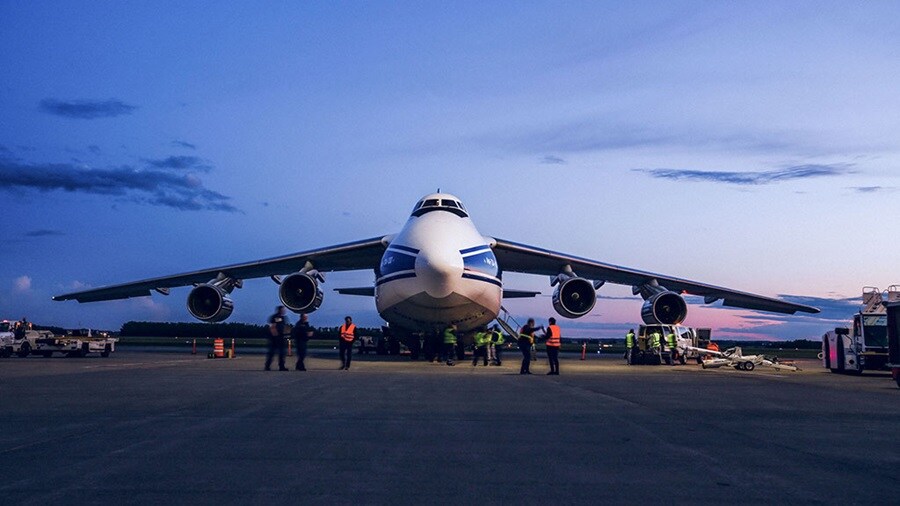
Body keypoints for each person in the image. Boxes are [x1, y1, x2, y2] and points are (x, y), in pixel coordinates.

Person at [266, 306, 289, 371]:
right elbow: (272, 327)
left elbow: (285, 327)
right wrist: (275, 336)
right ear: (279, 310)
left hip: (281, 338)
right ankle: (267, 366)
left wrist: (286, 334)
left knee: (282, 353)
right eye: (283, 310)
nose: (284, 311)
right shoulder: (275, 317)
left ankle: (281, 366)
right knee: (271, 353)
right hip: (274, 338)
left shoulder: (283, 318)